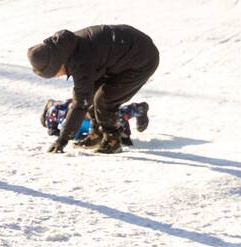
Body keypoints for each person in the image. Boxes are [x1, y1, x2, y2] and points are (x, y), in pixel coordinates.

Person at [28, 25, 160, 155]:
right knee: (90, 94)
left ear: (55, 64)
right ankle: (97, 133)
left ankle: (112, 140)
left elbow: (81, 103)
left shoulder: (79, 61)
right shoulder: (65, 48)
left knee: (104, 99)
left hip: (142, 60)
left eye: (53, 73)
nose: (56, 76)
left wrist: (62, 139)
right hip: (121, 56)